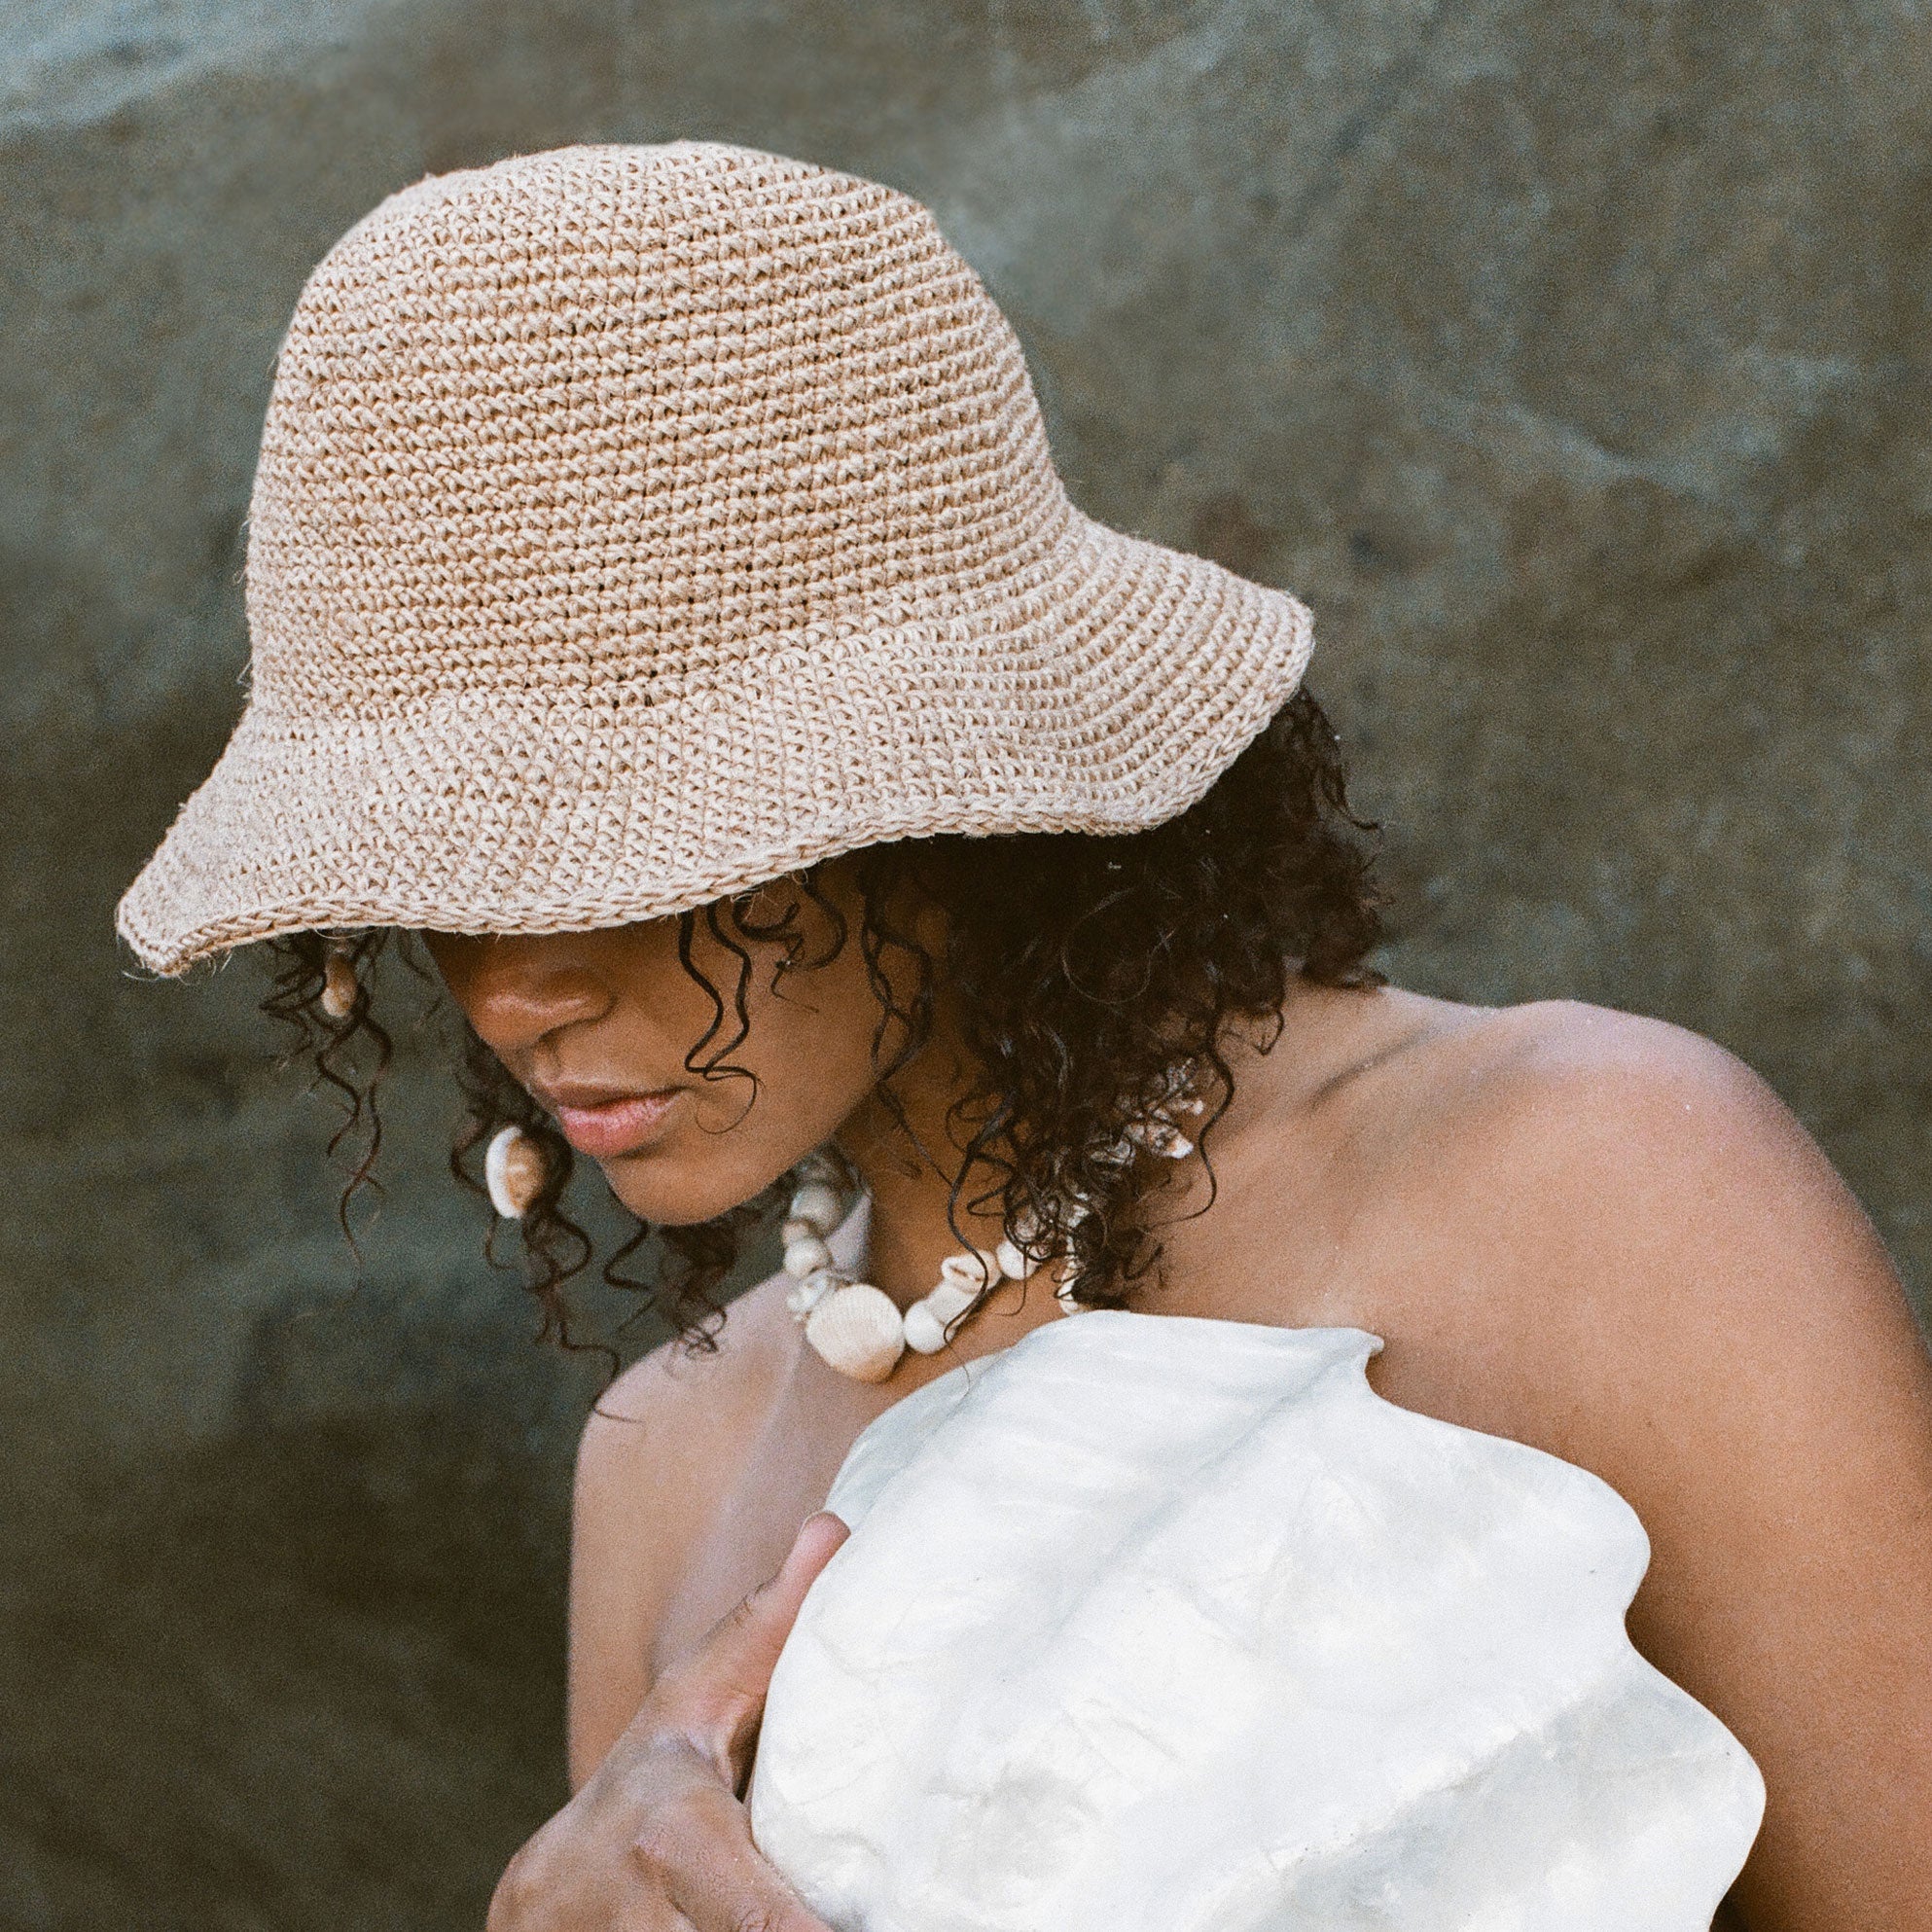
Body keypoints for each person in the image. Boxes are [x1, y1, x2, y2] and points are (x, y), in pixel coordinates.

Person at [117, 141, 1932, 1932]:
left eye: (623, 846)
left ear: (932, 786)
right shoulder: (670, 1452)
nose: (516, 989)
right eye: (431, 868)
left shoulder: (1593, 1180)